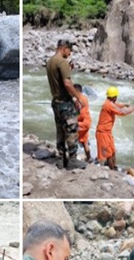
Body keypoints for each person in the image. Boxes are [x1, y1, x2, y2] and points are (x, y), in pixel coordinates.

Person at [46, 39, 86, 170]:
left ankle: (61, 159)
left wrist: (68, 70)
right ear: (64, 48)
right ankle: (73, 160)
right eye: (70, 50)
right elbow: (67, 83)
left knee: (60, 130)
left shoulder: (51, 61)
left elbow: (57, 79)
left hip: (56, 102)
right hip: (65, 103)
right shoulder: (62, 62)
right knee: (71, 129)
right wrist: (78, 97)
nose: (70, 54)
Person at [95, 86, 134, 170]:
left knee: (113, 152)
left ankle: (113, 167)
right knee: (109, 154)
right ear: (114, 97)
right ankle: (112, 171)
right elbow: (122, 112)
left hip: (107, 133)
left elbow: (116, 105)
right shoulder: (108, 105)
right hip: (103, 133)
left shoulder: (109, 103)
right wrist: (132, 108)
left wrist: (124, 104)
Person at [74, 83, 93, 162]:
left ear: (77, 91)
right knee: (84, 141)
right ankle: (89, 158)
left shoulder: (79, 99)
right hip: (87, 122)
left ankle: (72, 157)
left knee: (73, 138)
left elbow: (78, 112)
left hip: (82, 123)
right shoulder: (84, 97)